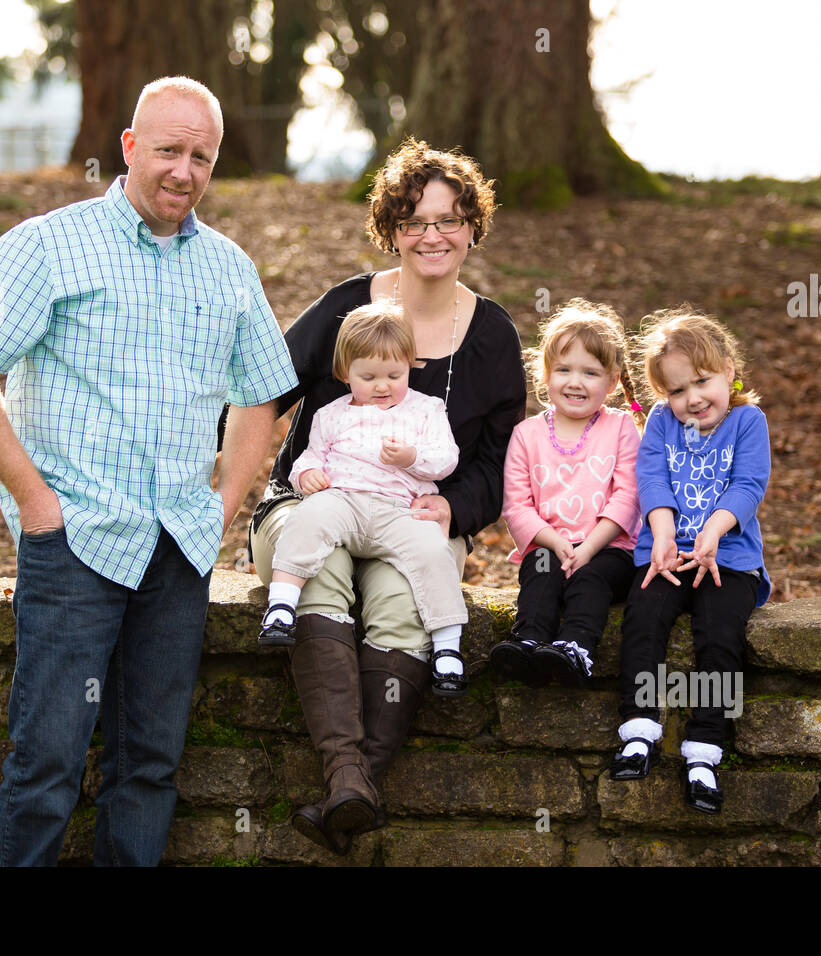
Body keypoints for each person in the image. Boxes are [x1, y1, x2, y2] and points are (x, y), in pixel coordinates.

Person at [0, 76, 298, 866]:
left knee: (148, 769)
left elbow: (263, 396)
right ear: (130, 148)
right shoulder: (46, 245)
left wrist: (225, 503)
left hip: (179, 549)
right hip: (76, 543)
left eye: (201, 156)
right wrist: (36, 503)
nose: (184, 171)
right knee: (46, 767)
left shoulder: (230, 268)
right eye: (168, 150)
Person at [248, 138, 527, 854]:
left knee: (405, 601)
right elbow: (260, 396)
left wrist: (455, 509)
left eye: (448, 219)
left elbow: (501, 457)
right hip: (318, 504)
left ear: (472, 227)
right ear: (391, 229)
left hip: (414, 517)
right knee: (323, 574)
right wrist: (243, 485)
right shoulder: (349, 307)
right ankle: (350, 772)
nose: (431, 235)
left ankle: (350, 786)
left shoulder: (493, 335)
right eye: (414, 220)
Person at [258, 303, 471, 708]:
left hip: (400, 510)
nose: (382, 386)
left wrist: (411, 457)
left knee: (433, 551)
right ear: (345, 374)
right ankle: (282, 607)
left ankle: (447, 648)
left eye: (395, 375)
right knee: (307, 518)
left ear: (409, 365)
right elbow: (309, 457)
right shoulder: (330, 415)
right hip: (345, 501)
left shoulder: (426, 410)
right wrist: (307, 477)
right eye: (368, 377)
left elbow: (447, 458)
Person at [607, 308, 772, 815]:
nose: (691, 399)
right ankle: (639, 730)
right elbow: (651, 480)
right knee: (643, 616)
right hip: (667, 551)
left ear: (728, 369)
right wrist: (660, 531)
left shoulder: (747, 421)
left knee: (720, 634)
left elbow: (748, 485)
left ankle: (704, 748)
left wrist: (713, 532)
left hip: (730, 559)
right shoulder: (660, 422)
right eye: (676, 391)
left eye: (701, 382)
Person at [489, 299, 644, 688]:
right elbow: (516, 505)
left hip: (610, 550)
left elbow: (628, 496)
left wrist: (588, 548)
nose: (575, 382)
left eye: (590, 372)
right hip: (548, 543)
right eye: (564, 370)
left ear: (611, 382)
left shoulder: (621, 427)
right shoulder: (527, 434)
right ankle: (527, 638)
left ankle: (574, 649)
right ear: (545, 375)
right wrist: (556, 542)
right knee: (540, 570)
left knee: (591, 578)